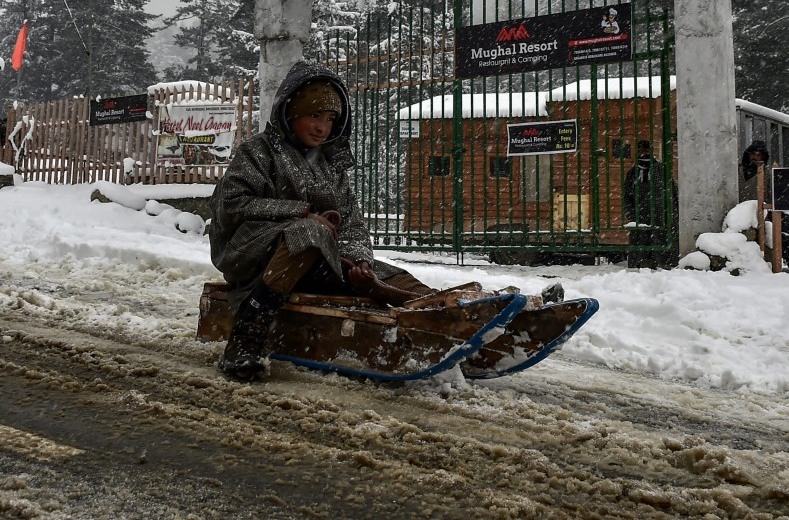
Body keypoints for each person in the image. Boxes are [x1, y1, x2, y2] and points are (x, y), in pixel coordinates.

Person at [208, 59, 563, 381]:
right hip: (254, 258)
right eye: (314, 116)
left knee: (388, 274)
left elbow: (352, 223)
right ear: (290, 113)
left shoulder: (330, 164)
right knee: (310, 231)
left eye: (330, 119)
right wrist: (301, 213)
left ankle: (468, 320)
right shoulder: (257, 152)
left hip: (314, 258)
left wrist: (360, 260)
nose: (322, 127)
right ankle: (246, 338)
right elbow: (233, 203)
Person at [622, 139, 678, 269]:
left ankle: (662, 263)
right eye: (641, 150)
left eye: (646, 150)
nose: (644, 153)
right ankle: (642, 263)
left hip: (661, 214)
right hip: (640, 214)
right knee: (641, 241)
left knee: (661, 240)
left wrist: (672, 212)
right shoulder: (633, 173)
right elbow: (627, 196)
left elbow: (673, 191)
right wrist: (631, 214)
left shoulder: (661, 170)